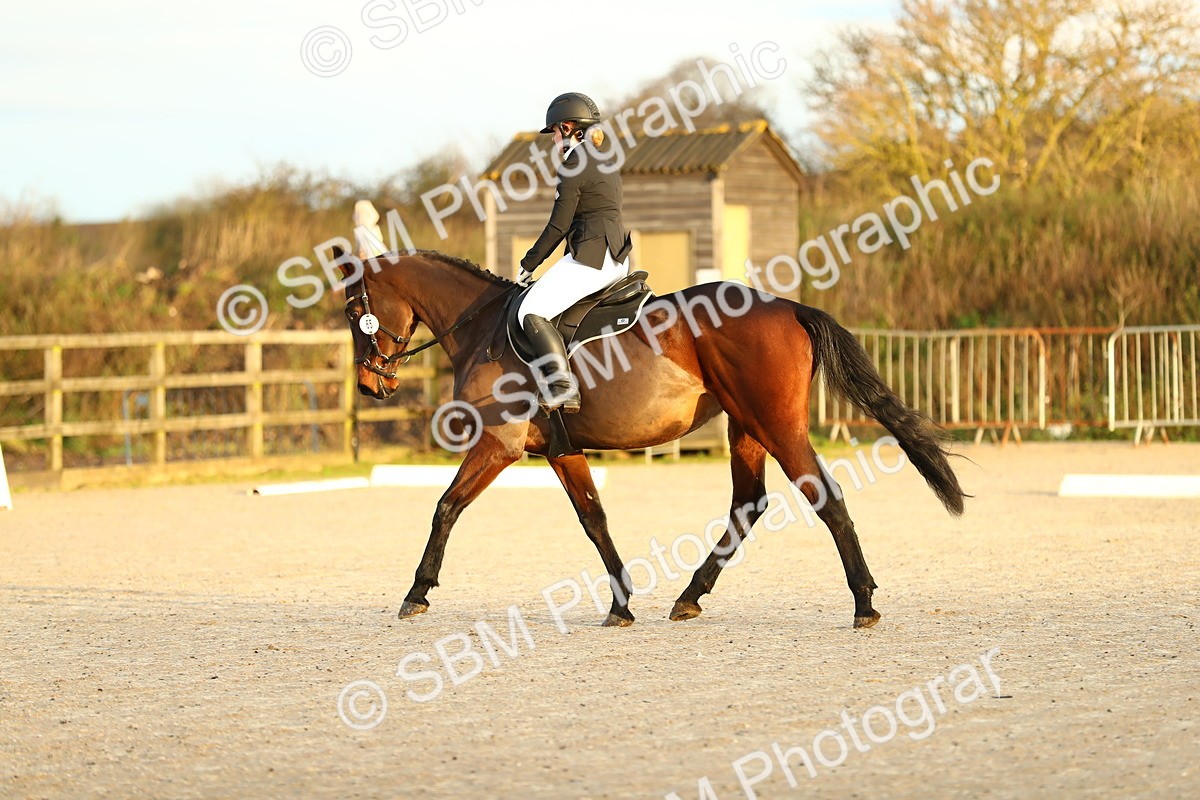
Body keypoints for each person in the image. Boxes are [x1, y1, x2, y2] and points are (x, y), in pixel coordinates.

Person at [517, 92, 633, 414]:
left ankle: (562, 386)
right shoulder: (606, 161)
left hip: (591, 259)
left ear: (569, 128)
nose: (553, 138)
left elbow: (558, 226)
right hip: (616, 258)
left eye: (555, 131)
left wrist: (528, 264)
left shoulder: (573, 164)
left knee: (530, 311)